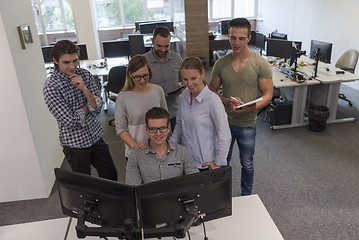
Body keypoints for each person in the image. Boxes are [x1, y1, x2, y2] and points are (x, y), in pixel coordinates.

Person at [209, 18, 273, 195]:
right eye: (233, 37)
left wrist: (252, 107)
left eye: (241, 38)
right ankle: (220, 197)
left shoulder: (260, 63)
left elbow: (267, 94)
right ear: (228, 37)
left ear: (249, 38)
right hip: (225, 123)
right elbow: (212, 91)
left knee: (247, 164)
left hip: (247, 123)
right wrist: (226, 100)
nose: (236, 42)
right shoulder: (221, 63)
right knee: (222, 162)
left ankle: (246, 196)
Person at [43, 40, 118, 181]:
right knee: (84, 184)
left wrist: (83, 88)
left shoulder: (85, 74)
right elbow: (71, 121)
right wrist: (88, 106)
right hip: (75, 144)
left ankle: (110, 203)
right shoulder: (51, 86)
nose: (72, 66)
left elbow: (98, 107)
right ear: (55, 60)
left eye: (75, 61)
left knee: (110, 175)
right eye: (66, 62)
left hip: (95, 136)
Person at [171, 57, 231, 170]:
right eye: (185, 79)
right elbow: (179, 123)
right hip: (187, 160)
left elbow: (224, 134)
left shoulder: (213, 100)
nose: (189, 84)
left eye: (193, 78)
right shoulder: (184, 95)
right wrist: (171, 148)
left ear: (202, 73)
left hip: (206, 164)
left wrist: (218, 162)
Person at [126, 107, 198, 185]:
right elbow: (133, 187)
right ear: (146, 130)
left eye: (162, 128)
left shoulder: (182, 152)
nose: (158, 133)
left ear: (169, 128)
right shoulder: (135, 156)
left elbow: (195, 181)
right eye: (153, 129)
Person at [115, 55, 167, 159]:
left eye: (145, 76)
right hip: (135, 150)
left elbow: (165, 120)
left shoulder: (158, 91)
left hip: (158, 149)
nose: (142, 80)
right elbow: (120, 129)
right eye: (137, 77)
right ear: (130, 75)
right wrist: (135, 146)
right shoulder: (123, 97)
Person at [143, 26, 183, 131]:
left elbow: (184, 80)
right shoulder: (143, 61)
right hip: (154, 116)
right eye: (159, 46)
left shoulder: (177, 59)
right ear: (152, 41)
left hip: (175, 112)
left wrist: (182, 87)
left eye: (166, 46)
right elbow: (136, 88)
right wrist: (156, 93)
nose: (163, 50)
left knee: (177, 145)